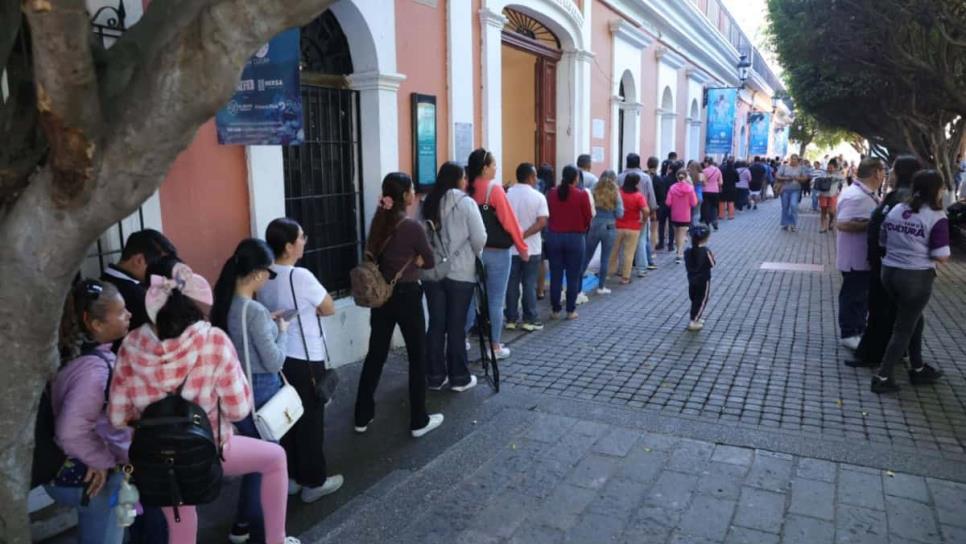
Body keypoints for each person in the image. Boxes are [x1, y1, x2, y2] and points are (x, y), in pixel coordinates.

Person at [109, 260, 302, 544]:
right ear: (193, 302)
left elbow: (116, 416)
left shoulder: (131, 344)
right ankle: (276, 540)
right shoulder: (213, 340)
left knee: (181, 519)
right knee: (275, 458)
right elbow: (238, 410)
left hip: (157, 458)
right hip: (211, 449)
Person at [98, 229, 175, 543]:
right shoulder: (127, 294)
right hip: (133, 403)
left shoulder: (116, 287)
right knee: (147, 491)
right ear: (139, 259)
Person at [211, 238, 290, 544]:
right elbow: (274, 361)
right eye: (268, 273)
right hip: (261, 389)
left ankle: (242, 525)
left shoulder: (224, 303)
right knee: (265, 462)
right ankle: (259, 531)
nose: (268, 279)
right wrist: (282, 332)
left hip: (236, 389)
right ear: (257, 273)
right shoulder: (254, 311)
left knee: (255, 462)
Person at [353, 173, 444, 438]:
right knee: (417, 356)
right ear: (405, 195)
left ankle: (362, 415)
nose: (414, 192)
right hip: (407, 295)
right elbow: (430, 260)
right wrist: (416, 260)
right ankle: (418, 420)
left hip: (382, 296)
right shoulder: (412, 227)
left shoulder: (378, 223)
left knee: (376, 354)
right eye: (412, 189)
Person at [259, 219, 343, 503]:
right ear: (288, 246)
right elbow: (328, 308)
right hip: (306, 357)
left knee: (288, 417)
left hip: (279, 355)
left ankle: (293, 476)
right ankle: (314, 482)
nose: (304, 241)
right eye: (301, 237)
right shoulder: (301, 276)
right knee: (311, 421)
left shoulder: (265, 275)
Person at [46, 280, 131, 544]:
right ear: (95, 324)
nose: (129, 315)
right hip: (90, 476)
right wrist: (103, 459)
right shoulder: (95, 371)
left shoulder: (75, 354)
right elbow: (70, 431)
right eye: (120, 312)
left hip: (76, 472)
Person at [872, 171, 950, 394]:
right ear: (936, 190)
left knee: (914, 317)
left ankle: (917, 368)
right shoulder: (936, 217)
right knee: (904, 328)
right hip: (916, 277)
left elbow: (882, 238)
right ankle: (883, 376)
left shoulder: (898, 209)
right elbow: (941, 255)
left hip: (889, 272)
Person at [422, 162, 487, 391]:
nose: (466, 180)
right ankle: (459, 377)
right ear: (459, 179)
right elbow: (479, 239)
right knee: (456, 326)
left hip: (432, 272)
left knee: (436, 324)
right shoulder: (466, 203)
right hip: (461, 272)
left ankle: (435, 376)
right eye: (464, 177)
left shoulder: (428, 203)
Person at [851, 155, 920, 369]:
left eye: (893, 170)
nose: (889, 174)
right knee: (884, 310)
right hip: (884, 263)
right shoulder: (897, 196)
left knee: (885, 311)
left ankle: (878, 356)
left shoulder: (904, 197)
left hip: (891, 264)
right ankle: (884, 354)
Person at [464, 148, 528, 360]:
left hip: (472, 252)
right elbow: (510, 223)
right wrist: (522, 249)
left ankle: (461, 339)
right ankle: (494, 347)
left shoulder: (467, 188)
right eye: (493, 165)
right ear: (484, 168)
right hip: (498, 253)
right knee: (495, 300)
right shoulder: (495, 190)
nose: (496, 168)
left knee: (471, 298)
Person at [835, 157, 886, 350]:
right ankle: (849, 332)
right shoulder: (857, 196)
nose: (884, 176)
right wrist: (874, 224)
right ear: (876, 173)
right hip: (854, 258)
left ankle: (857, 329)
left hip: (861, 258)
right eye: (883, 172)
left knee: (860, 295)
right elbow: (843, 223)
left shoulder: (864, 194)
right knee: (853, 294)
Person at [100, 229, 177, 338]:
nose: (164, 272)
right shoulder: (139, 297)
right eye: (160, 265)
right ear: (139, 260)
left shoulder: (103, 281)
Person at [505, 163, 549, 332]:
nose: (536, 179)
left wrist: (515, 236)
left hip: (511, 248)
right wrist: (523, 235)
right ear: (530, 177)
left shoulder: (506, 195)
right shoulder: (538, 197)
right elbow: (542, 222)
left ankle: (511, 318)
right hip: (532, 248)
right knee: (529, 283)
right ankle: (530, 318)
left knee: (512, 283)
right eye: (535, 175)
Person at [546, 165, 592, 319]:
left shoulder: (551, 193)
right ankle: (570, 310)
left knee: (556, 275)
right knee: (573, 276)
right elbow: (588, 217)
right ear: (576, 178)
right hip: (575, 238)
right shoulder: (582, 195)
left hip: (554, 237)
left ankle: (555, 309)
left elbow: (548, 214)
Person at [583, 170, 623, 295]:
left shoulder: (593, 189)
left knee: (587, 256)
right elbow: (620, 213)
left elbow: (588, 208)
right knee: (605, 258)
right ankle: (601, 287)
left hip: (594, 225)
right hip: (610, 226)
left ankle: (578, 286)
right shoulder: (615, 192)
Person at [618, 154, 657, 276]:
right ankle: (641, 268)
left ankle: (622, 268)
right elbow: (651, 196)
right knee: (641, 240)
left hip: (622, 214)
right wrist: (653, 211)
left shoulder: (619, 177)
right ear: (639, 162)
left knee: (623, 242)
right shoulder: (645, 177)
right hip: (641, 214)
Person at [609, 173, 648, 284]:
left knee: (613, 251)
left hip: (617, 226)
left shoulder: (618, 193)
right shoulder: (638, 195)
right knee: (629, 253)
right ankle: (625, 277)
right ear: (636, 182)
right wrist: (643, 220)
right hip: (633, 227)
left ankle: (608, 273)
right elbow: (646, 210)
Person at [684, 226, 715, 332]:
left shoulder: (687, 251)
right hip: (704, 279)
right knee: (702, 299)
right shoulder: (706, 251)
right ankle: (694, 320)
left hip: (691, 278)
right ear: (706, 239)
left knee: (694, 298)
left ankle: (695, 316)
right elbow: (712, 263)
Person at [666, 169, 699, 264]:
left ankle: (678, 250)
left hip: (675, 214)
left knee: (677, 234)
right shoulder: (690, 188)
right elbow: (694, 203)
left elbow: (668, 202)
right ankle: (680, 254)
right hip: (685, 215)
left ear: (677, 177)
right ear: (685, 177)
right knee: (682, 234)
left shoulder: (672, 188)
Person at [535, 163, 555, 300]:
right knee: (552, 260)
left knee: (540, 260)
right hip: (551, 227)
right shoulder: (553, 191)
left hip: (537, 226)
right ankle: (547, 288)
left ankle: (539, 290)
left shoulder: (536, 188)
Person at [776, 154, 809, 231]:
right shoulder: (784, 167)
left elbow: (805, 178)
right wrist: (786, 178)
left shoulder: (801, 168)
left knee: (793, 206)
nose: (794, 161)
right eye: (792, 159)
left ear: (798, 160)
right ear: (790, 159)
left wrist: (798, 178)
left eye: (795, 159)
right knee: (785, 207)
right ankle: (785, 224)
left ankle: (793, 224)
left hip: (795, 190)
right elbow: (777, 176)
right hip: (784, 190)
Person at [817, 158, 845, 233]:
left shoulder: (837, 174)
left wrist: (834, 177)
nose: (829, 169)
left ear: (835, 168)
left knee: (831, 211)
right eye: (828, 167)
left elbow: (843, 179)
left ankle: (831, 222)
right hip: (823, 194)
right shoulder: (823, 173)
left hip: (832, 195)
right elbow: (818, 179)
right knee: (823, 211)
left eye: (831, 167)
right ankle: (823, 226)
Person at [653, 161, 675, 250]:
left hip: (664, 204)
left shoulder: (663, 179)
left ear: (670, 169)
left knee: (661, 224)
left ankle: (661, 243)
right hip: (674, 205)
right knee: (671, 225)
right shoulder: (677, 180)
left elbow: (661, 193)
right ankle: (670, 245)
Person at [701, 158, 722, 229]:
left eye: (704, 163)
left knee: (706, 206)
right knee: (714, 207)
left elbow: (702, 182)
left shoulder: (703, 171)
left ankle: (707, 223)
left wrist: (706, 184)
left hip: (706, 191)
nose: (704, 164)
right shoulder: (718, 170)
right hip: (715, 191)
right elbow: (721, 182)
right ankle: (714, 222)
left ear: (707, 163)